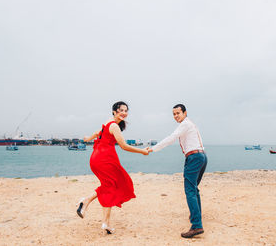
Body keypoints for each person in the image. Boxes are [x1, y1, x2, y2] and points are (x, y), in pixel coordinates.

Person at [77, 101, 149, 234]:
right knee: (115, 184)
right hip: (105, 160)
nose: (124, 113)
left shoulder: (108, 122)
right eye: (121, 110)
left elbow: (97, 132)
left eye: (126, 111)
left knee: (109, 186)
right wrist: (142, 151)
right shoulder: (114, 126)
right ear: (114, 111)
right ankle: (88, 203)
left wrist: (87, 139)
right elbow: (124, 146)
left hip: (96, 158)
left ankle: (105, 222)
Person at [148, 104, 207, 238]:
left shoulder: (185, 124)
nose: (176, 116)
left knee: (190, 190)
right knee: (194, 188)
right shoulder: (189, 124)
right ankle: (196, 215)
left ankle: (197, 225)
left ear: (185, 113)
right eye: (174, 114)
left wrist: (153, 148)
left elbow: (171, 138)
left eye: (178, 113)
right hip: (201, 156)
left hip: (194, 157)